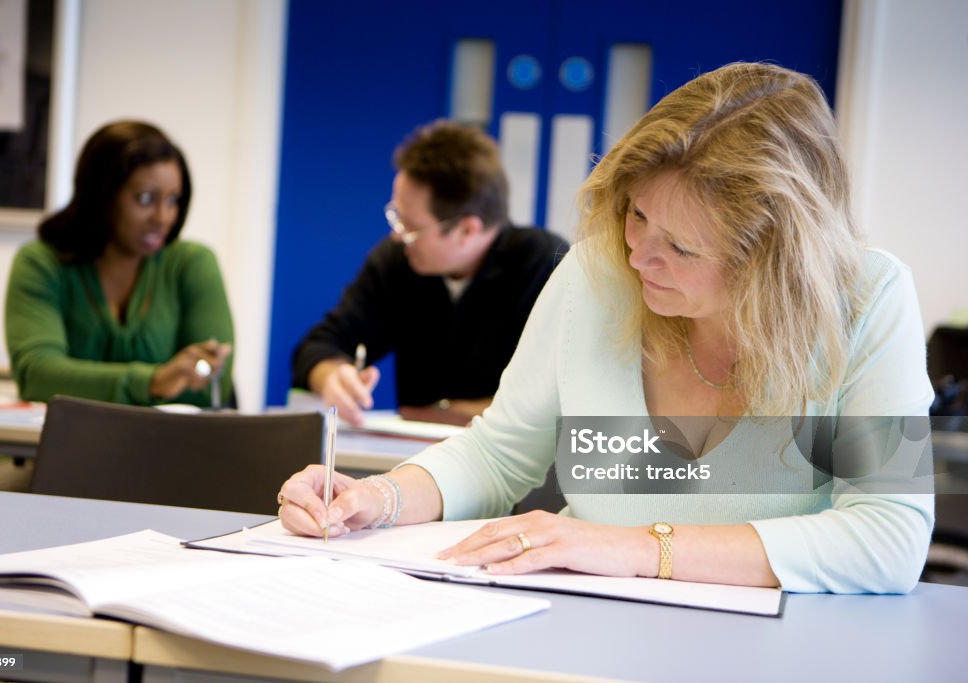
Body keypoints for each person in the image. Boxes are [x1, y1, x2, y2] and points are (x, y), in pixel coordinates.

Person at [278, 63, 935, 594]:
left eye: (681, 247)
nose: (638, 256)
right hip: (582, 626)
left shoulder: (870, 298)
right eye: (637, 214)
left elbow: (890, 535)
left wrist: (633, 547)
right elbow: (498, 453)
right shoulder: (595, 273)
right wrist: (379, 498)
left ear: (773, 258)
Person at [291, 120, 568, 426]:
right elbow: (318, 345)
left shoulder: (546, 264)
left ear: (466, 229)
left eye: (412, 227)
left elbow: (560, 396)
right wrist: (331, 375)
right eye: (396, 216)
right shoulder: (397, 262)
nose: (398, 235)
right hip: (417, 459)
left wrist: (446, 411)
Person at [5, 120, 233, 408]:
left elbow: (213, 385)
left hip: (167, 449)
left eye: (173, 200)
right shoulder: (41, 263)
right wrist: (154, 381)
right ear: (101, 195)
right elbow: (38, 377)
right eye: (146, 198)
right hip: (65, 448)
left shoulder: (193, 263)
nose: (162, 218)